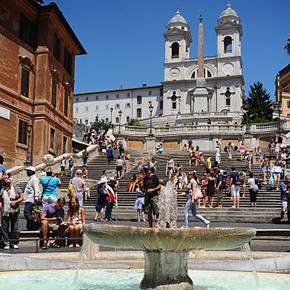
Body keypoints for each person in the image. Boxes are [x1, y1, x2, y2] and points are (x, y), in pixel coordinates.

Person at [0, 175, 23, 249]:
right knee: (4, 227)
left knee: (15, 227)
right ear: (3, 181)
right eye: (5, 178)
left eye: (8, 177)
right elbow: (0, 200)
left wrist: (15, 201)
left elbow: (21, 198)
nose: (8, 179)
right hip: (5, 211)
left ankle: (14, 242)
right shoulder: (2, 190)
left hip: (14, 210)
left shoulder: (16, 188)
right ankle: (6, 242)